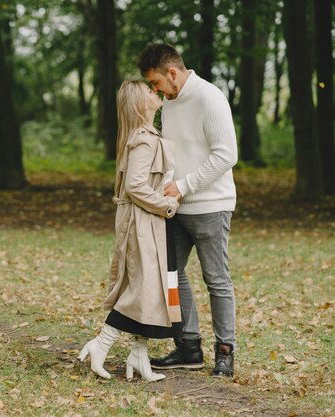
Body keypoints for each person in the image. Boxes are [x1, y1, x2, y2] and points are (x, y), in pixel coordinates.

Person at [138, 43, 238, 377]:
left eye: (156, 82)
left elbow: (226, 155)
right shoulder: (168, 104)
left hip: (211, 206)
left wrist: (183, 185)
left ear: (172, 72)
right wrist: (167, 187)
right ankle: (188, 346)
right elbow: (172, 154)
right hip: (175, 208)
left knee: (217, 280)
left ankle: (225, 351)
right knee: (170, 273)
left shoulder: (210, 98)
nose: (155, 90)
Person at [78, 80, 181, 382]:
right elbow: (136, 186)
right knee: (142, 288)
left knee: (151, 289)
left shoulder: (145, 136)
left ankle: (139, 355)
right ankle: (102, 343)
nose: (156, 92)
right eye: (150, 91)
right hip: (143, 221)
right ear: (140, 103)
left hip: (147, 221)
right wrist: (167, 205)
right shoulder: (144, 140)